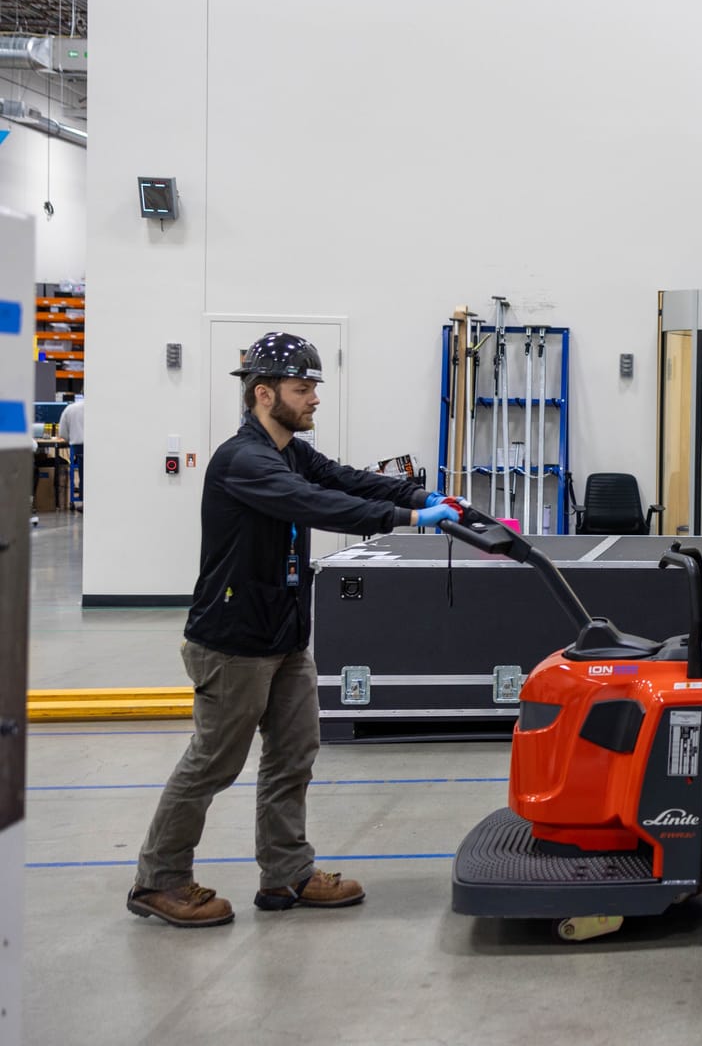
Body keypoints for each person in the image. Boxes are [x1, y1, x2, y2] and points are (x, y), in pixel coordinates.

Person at [127, 333, 463, 927]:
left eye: (313, 388)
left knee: (294, 755)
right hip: (232, 642)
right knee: (213, 764)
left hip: (283, 634)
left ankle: (287, 876)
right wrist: (407, 517)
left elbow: (345, 480)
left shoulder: (289, 451)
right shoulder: (244, 460)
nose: (313, 400)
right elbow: (316, 505)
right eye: (301, 388)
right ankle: (160, 880)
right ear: (264, 394)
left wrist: (420, 492)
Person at [56, 394, 83, 508]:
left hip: (78, 447)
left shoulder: (71, 408)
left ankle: (81, 500)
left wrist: (70, 438)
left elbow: (62, 433)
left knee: (82, 465)